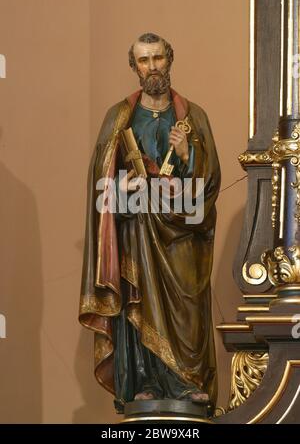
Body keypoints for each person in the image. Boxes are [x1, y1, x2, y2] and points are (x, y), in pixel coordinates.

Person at [79, 33, 221, 413]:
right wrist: (123, 184)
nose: (152, 66)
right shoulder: (118, 116)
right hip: (137, 231)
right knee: (137, 304)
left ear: (169, 60)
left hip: (181, 239)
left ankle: (187, 383)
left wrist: (187, 154)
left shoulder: (194, 116)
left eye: (158, 58)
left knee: (186, 312)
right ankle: (143, 381)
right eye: (144, 60)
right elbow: (100, 183)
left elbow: (209, 185)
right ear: (134, 67)